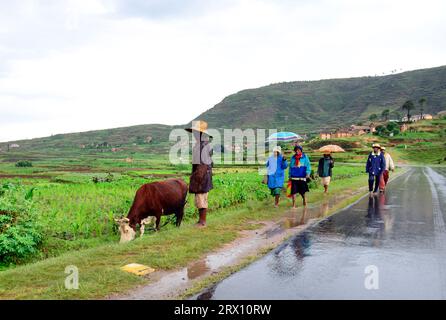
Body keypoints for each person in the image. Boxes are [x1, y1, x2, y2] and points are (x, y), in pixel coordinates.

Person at [186, 120, 213, 227]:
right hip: (203, 175)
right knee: (201, 198)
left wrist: (196, 179)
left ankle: (202, 222)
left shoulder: (202, 146)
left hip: (201, 176)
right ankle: (201, 220)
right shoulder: (203, 145)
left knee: (201, 199)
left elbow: (202, 165)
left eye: (196, 133)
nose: (194, 135)